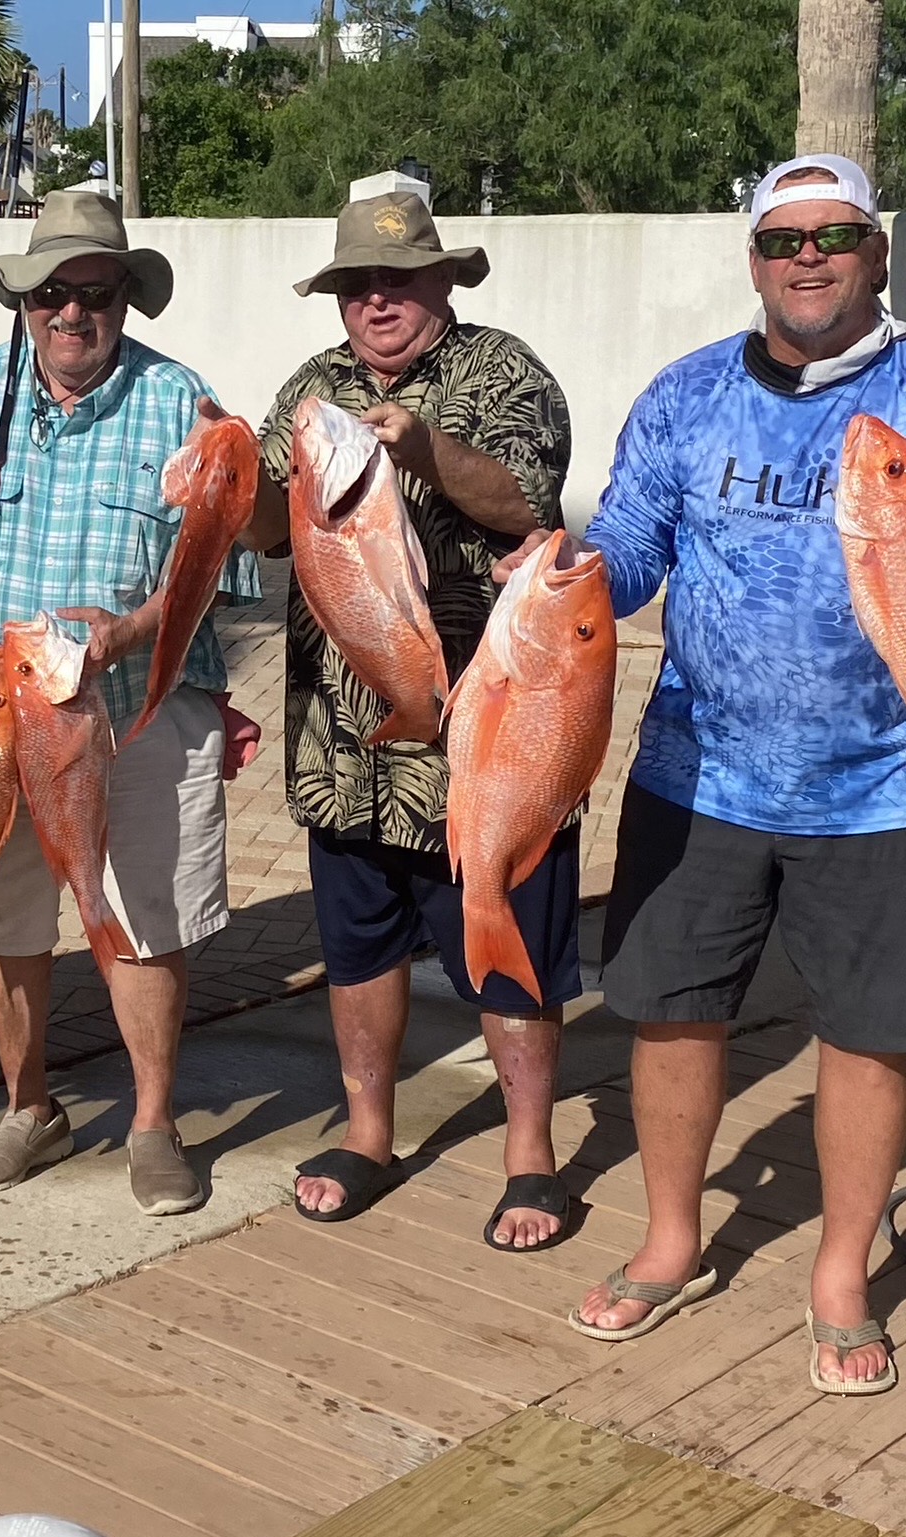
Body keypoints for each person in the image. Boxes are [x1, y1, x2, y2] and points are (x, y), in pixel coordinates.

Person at [521, 155, 906, 1393]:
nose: (806, 258)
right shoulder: (688, 394)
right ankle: (669, 1238)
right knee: (671, 1012)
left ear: (875, 255)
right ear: (751, 258)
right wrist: (572, 573)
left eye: (834, 235)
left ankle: (841, 1274)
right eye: (780, 240)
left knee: (869, 1035)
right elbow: (636, 547)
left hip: (887, 783)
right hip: (698, 773)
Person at [0, 188, 260, 1216]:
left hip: (138, 709)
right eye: (51, 293)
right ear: (22, 301)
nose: (72, 312)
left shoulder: (184, 405)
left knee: (141, 913)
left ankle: (151, 1123)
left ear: (126, 299)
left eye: (95, 292)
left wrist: (128, 635)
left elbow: (228, 568)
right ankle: (28, 1106)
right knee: (2, 916)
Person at [240, 193, 577, 1240]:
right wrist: (223, 484)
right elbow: (264, 530)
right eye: (355, 285)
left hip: (490, 728)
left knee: (507, 935)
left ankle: (531, 1151)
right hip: (343, 739)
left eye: (395, 280)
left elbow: (527, 506)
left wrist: (423, 446)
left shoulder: (504, 373)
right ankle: (368, 1129)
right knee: (359, 943)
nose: (374, 299)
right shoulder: (310, 388)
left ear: (444, 282)